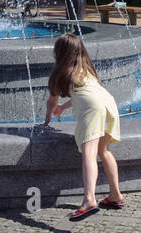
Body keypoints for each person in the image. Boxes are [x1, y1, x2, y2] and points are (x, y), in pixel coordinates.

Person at [43, 34, 124, 221]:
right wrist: (64, 107)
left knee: (89, 153)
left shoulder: (60, 72)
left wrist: (49, 116)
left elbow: (51, 100)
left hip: (93, 108)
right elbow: (87, 93)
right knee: (104, 150)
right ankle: (115, 195)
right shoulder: (86, 68)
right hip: (109, 103)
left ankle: (89, 200)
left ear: (59, 52)